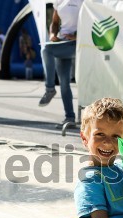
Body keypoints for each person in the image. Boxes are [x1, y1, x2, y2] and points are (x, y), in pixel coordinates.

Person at [39, 0, 84, 129]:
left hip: (77, 43)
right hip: (62, 42)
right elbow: (54, 23)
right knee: (64, 82)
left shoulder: (83, 2)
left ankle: (50, 89)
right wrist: (53, 35)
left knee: (46, 50)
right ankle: (69, 117)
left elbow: (90, 21)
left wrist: (76, 36)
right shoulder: (59, 2)